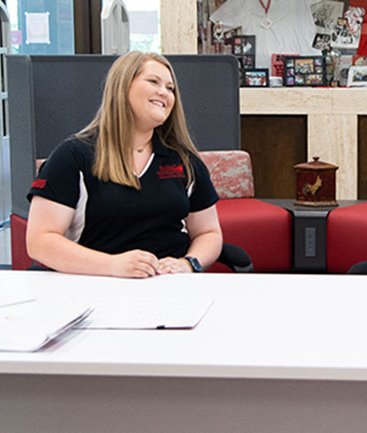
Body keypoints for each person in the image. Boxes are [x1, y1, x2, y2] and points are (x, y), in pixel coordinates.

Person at [26, 52, 222, 278]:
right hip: (97, 284)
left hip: (169, 287)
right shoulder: (73, 155)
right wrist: (112, 265)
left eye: (170, 88)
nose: (164, 93)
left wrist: (188, 263)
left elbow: (209, 233)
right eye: (153, 82)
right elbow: (40, 241)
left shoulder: (184, 160)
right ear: (123, 86)